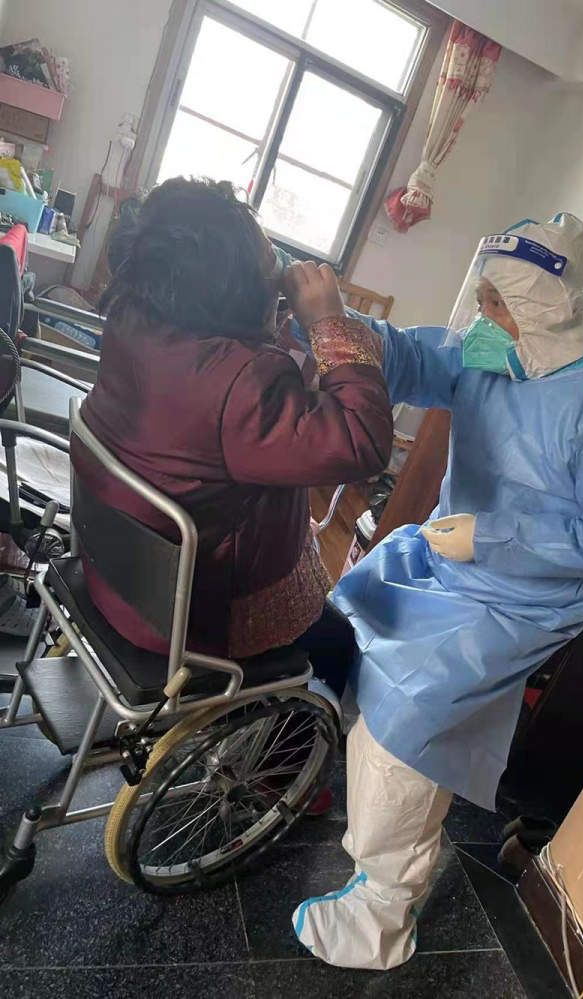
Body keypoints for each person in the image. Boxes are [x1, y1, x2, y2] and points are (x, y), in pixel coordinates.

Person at [292, 213, 583, 969]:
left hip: (523, 598)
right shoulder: (494, 353)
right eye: (483, 298)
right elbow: (409, 355)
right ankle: (317, 777)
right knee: (339, 630)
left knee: (404, 724)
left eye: (498, 303)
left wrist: (492, 538)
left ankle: (380, 912)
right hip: (442, 555)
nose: (482, 316)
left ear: (542, 307)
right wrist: (333, 320)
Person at [71, 177, 392, 706]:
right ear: (234, 285)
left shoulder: (134, 314)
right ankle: (285, 756)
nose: (278, 269)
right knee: (338, 644)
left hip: (114, 573)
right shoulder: (244, 382)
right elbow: (362, 440)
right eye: (268, 265)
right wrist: (329, 323)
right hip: (188, 617)